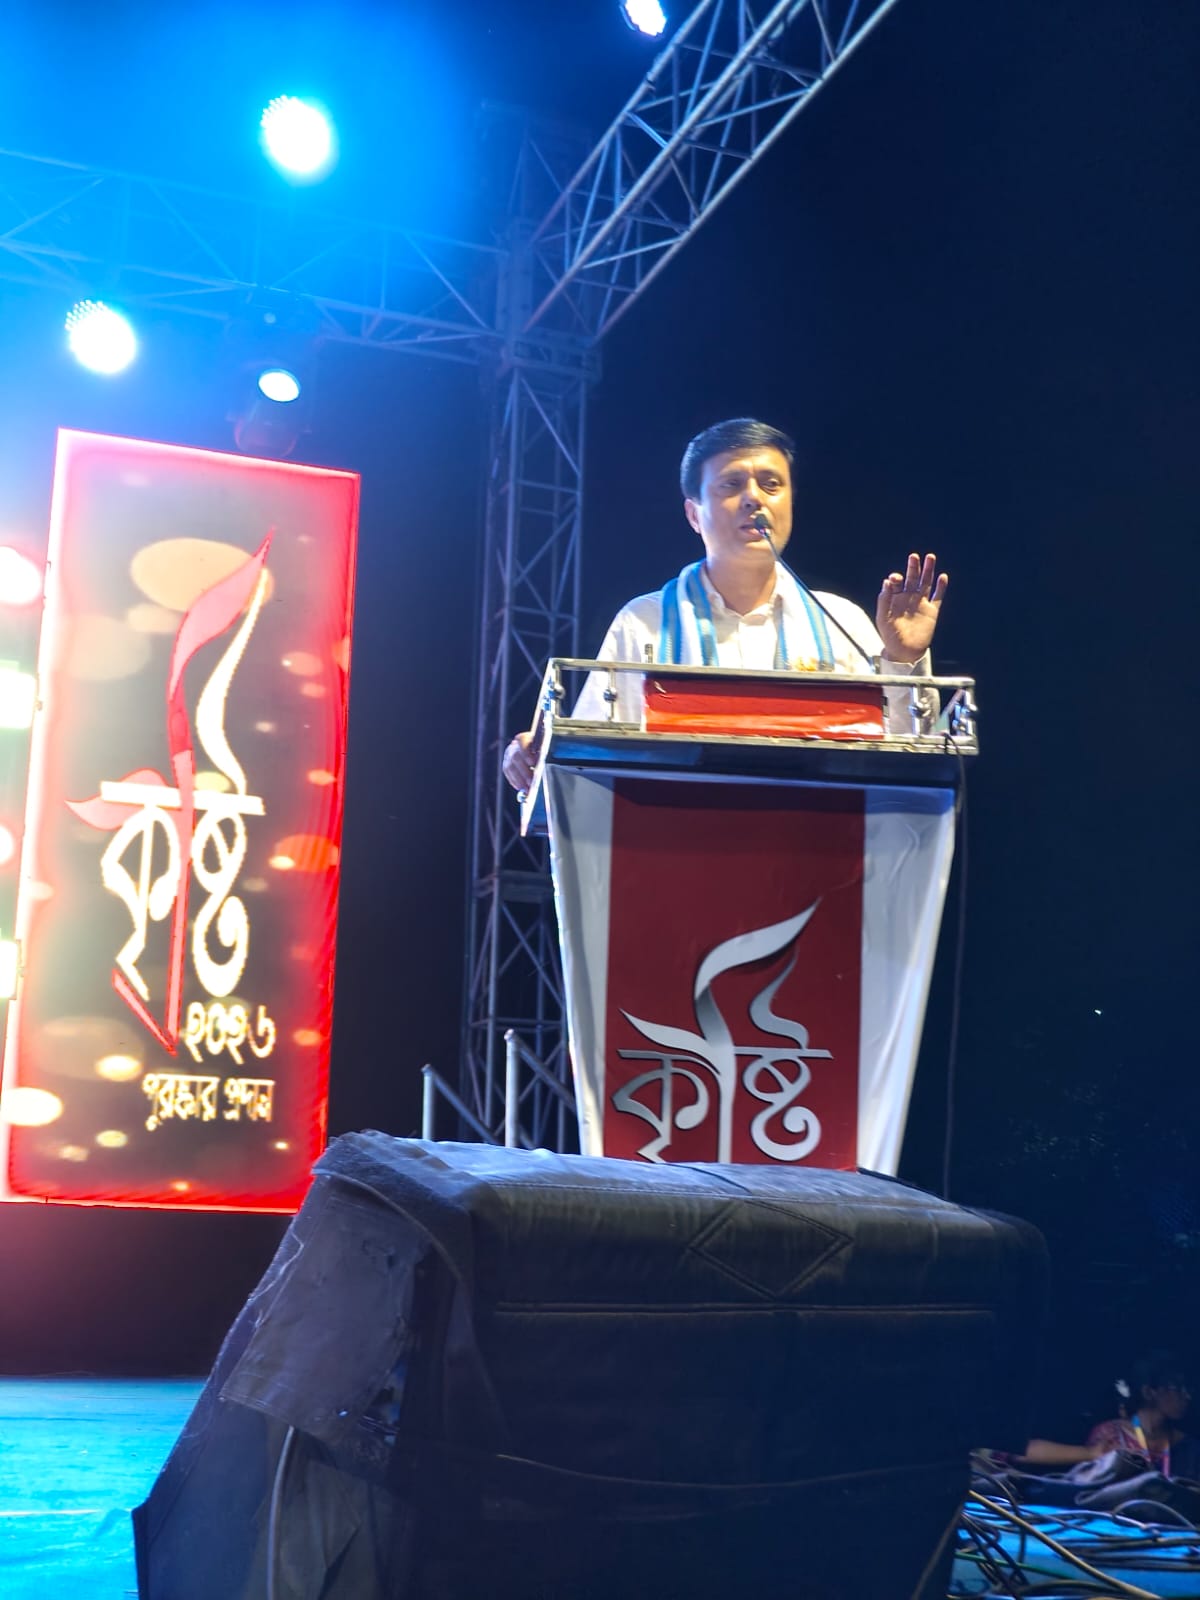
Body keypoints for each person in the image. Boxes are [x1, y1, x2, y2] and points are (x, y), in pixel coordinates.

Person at [503, 417, 948, 791]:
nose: (755, 498)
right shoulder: (644, 623)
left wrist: (902, 659)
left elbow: (910, 759)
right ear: (693, 514)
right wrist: (537, 758)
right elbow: (587, 768)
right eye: (732, 484)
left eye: (772, 484)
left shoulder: (840, 622)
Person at [1087, 1353, 1199, 1478]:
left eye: (1187, 1389)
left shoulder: (1187, 1446)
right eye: (1177, 1387)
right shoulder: (1110, 1435)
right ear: (1148, 1392)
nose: (1187, 1396)